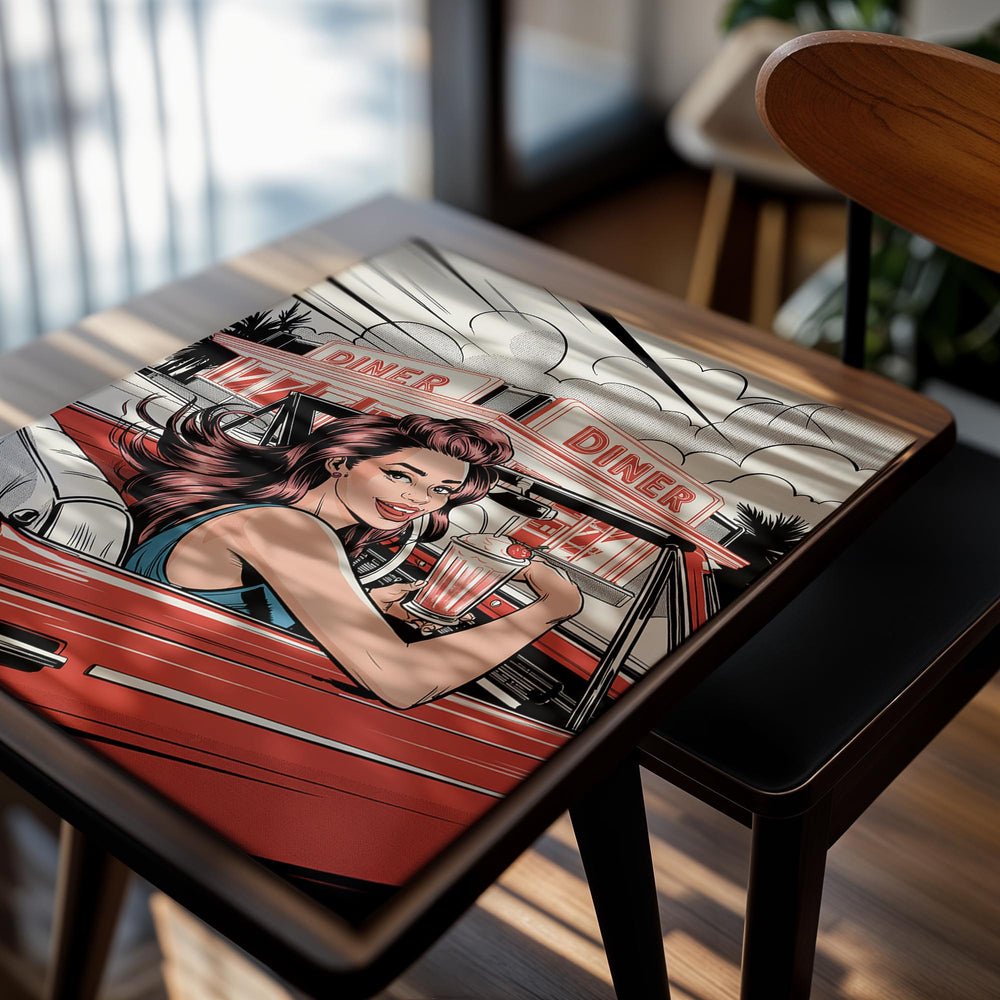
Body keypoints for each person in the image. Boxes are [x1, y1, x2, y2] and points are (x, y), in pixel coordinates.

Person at [118, 403, 582, 709]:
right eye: (400, 475)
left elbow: (241, 605)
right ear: (340, 461)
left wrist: (370, 606)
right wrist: (552, 609)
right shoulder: (285, 528)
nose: (420, 499)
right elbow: (405, 684)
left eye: (441, 490)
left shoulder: (278, 519)